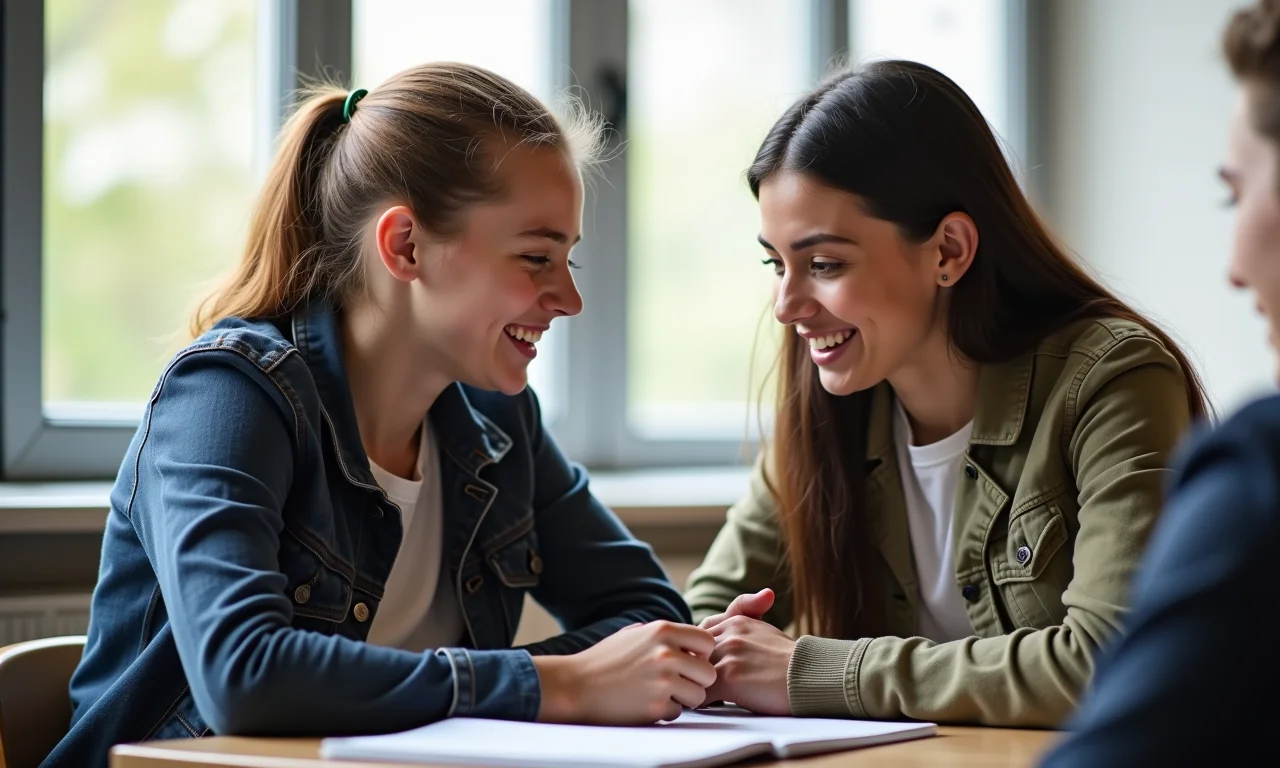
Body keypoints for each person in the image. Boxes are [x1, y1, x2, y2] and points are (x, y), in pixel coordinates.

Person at [44, 64, 711, 768]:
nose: (569, 300)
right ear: (405, 246)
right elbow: (244, 679)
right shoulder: (227, 396)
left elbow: (650, 614)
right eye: (536, 256)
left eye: (568, 259)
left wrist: (570, 681)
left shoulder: (497, 421)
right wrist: (557, 683)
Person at [683, 59, 1209, 728]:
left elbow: (1115, 661)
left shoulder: (1112, 379)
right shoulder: (823, 407)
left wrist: (811, 672)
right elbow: (709, 615)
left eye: (823, 264)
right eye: (775, 264)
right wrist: (709, 654)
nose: (787, 306)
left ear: (949, 250)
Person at [1041, 1, 1280, 763]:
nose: (1234, 269)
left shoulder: (1259, 471)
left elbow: (1098, 683)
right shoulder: (826, 410)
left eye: (1234, 193)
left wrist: (819, 671)